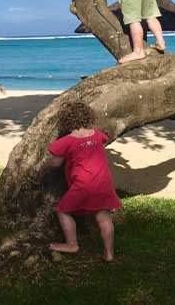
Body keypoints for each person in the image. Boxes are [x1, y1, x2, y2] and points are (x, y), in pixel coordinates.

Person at [44, 101, 121, 261]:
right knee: (103, 217)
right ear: (88, 117)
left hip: (83, 185)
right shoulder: (97, 134)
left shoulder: (68, 140)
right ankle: (109, 253)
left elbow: (55, 163)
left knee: (63, 210)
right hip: (103, 183)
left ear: (66, 121)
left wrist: (45, 165)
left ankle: (72, 244)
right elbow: (103, 141)